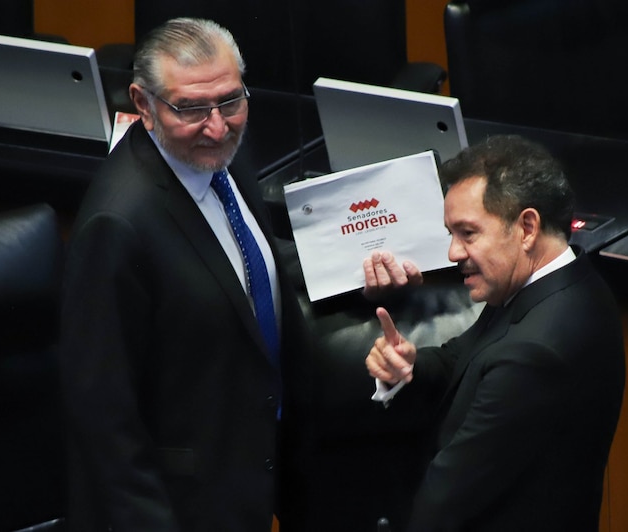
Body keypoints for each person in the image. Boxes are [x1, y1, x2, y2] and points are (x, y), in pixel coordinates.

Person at [59, 17, 417, 532]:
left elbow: (248, 261)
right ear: (143, 104)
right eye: (191, 109)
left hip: (261, 463)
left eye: (230, 101)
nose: (217, 125)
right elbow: (103, 419)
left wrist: (351, 274)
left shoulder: (217, 153)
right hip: (186, 503)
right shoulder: (117, 225)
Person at [365, 135, 626, 531]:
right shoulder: (559, 283)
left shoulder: (533, 354)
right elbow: (462, 355)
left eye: (468, 233)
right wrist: (408, 365)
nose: (453, 253)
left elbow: (448, 497)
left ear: (526, 227)